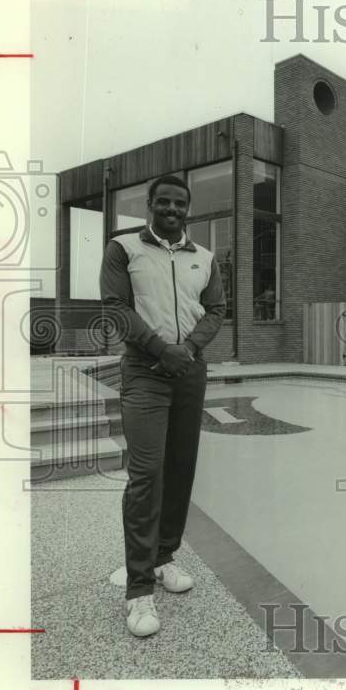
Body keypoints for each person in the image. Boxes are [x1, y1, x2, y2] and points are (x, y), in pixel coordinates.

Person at [99, 174, 226, 637]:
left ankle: (164, 557)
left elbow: (216, 310)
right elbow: (115, 306)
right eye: (164, 202)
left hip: (189, 371)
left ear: (187, 209)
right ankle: (138, 590)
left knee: (180, 468)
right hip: (144, 371)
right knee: (146, 475)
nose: (172, 209)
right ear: (149, 205)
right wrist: (159, 348)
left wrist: (187, 349)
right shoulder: (123, 248)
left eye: (180, 204)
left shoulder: (205, 258)